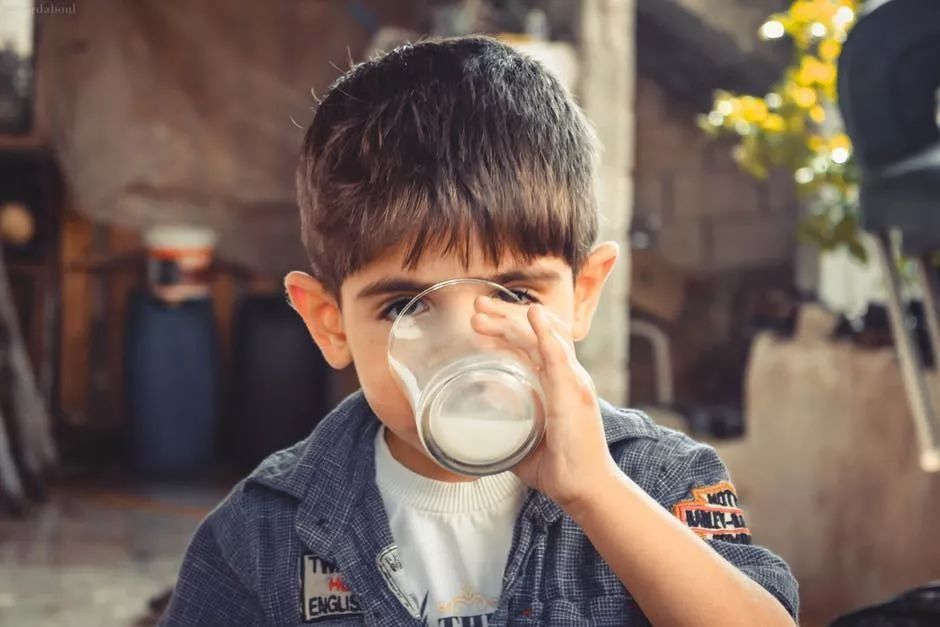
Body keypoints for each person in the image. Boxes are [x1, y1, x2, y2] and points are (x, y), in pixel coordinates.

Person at [159, 35, 798, 626]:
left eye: (514, 294)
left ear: (583, 295)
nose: (466, 340)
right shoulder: (263, 533)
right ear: (331, 324)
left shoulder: (659, 482)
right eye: (406, 305)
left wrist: (597, 492)